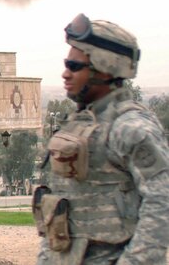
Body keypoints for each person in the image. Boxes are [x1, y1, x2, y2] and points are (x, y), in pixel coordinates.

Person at [36, 14, 169, 264]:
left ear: (105, 69)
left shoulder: (131, 128)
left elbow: (162, 203)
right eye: (66, 64)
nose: (65, 74)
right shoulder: (78, 126)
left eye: (75, 66)